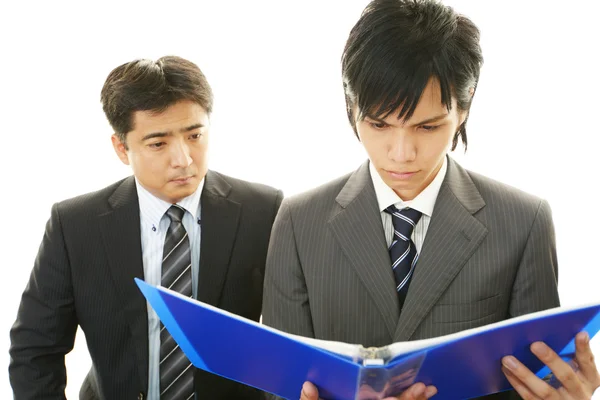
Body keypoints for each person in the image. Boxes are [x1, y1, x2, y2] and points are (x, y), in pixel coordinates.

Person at [261, 1, 599, 399]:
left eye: (427, 126)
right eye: (378, 124)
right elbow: (277, 386)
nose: (401, 153)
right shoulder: (300, 222)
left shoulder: (523, 222)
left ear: (465, 105)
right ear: (351, 106)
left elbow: (536, 382)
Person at [9, 56, 283, 400]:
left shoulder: (263, 210)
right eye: (158, 144)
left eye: (195, 135)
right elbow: (34, 351)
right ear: (122, 148)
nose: (183, 159)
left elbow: (290, 340)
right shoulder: (75, 225)